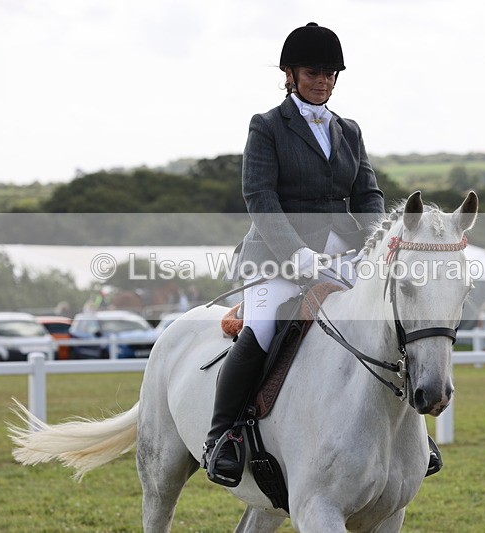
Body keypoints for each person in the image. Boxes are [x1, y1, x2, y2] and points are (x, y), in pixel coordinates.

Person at [202, 22, 387, 486]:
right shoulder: (267, 126)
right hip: (276, 255)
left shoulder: (349, 130)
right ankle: (223, 436)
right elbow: (260, 197)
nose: (322, 81)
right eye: (312, 72)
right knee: (263, 329)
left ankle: (406, 439)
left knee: (382, 323)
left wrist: (376, 243)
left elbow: (367, 194)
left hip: (342, 254)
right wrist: (296, 252)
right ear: (289, 74)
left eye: (329, 73)